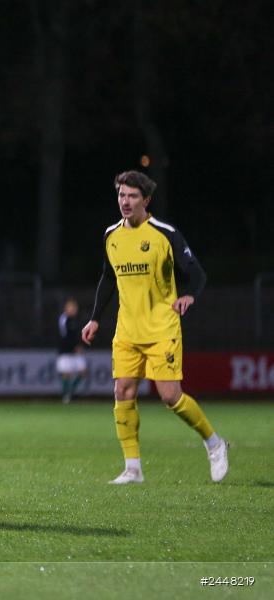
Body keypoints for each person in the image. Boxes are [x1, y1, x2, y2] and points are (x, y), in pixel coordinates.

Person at [82, 170, 228, 484]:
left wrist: (188, 295)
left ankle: (214, 443)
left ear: (146, 200)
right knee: (122, 391)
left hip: (162, 326)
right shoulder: (112, 235)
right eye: (122, 195)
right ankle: (132, 468)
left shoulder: (165, 233)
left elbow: (197, 273)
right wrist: (95, 317)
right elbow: (108, 278)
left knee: (170, 396)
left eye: (133, 196)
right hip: (127, 330)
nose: (125, 201)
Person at [56, 297, 86, 403]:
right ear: (66, 308)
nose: (74, 309)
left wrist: (80, 345)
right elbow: (64, 337)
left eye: (75, 307)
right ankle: (66, 396)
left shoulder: (77, 320)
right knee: (66, 374)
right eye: (71, 307)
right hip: (65, 351)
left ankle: (70, 393)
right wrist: (75, 346)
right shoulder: (63, 319)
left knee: (83, 372)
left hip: (75, 351)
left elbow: (77, 335)